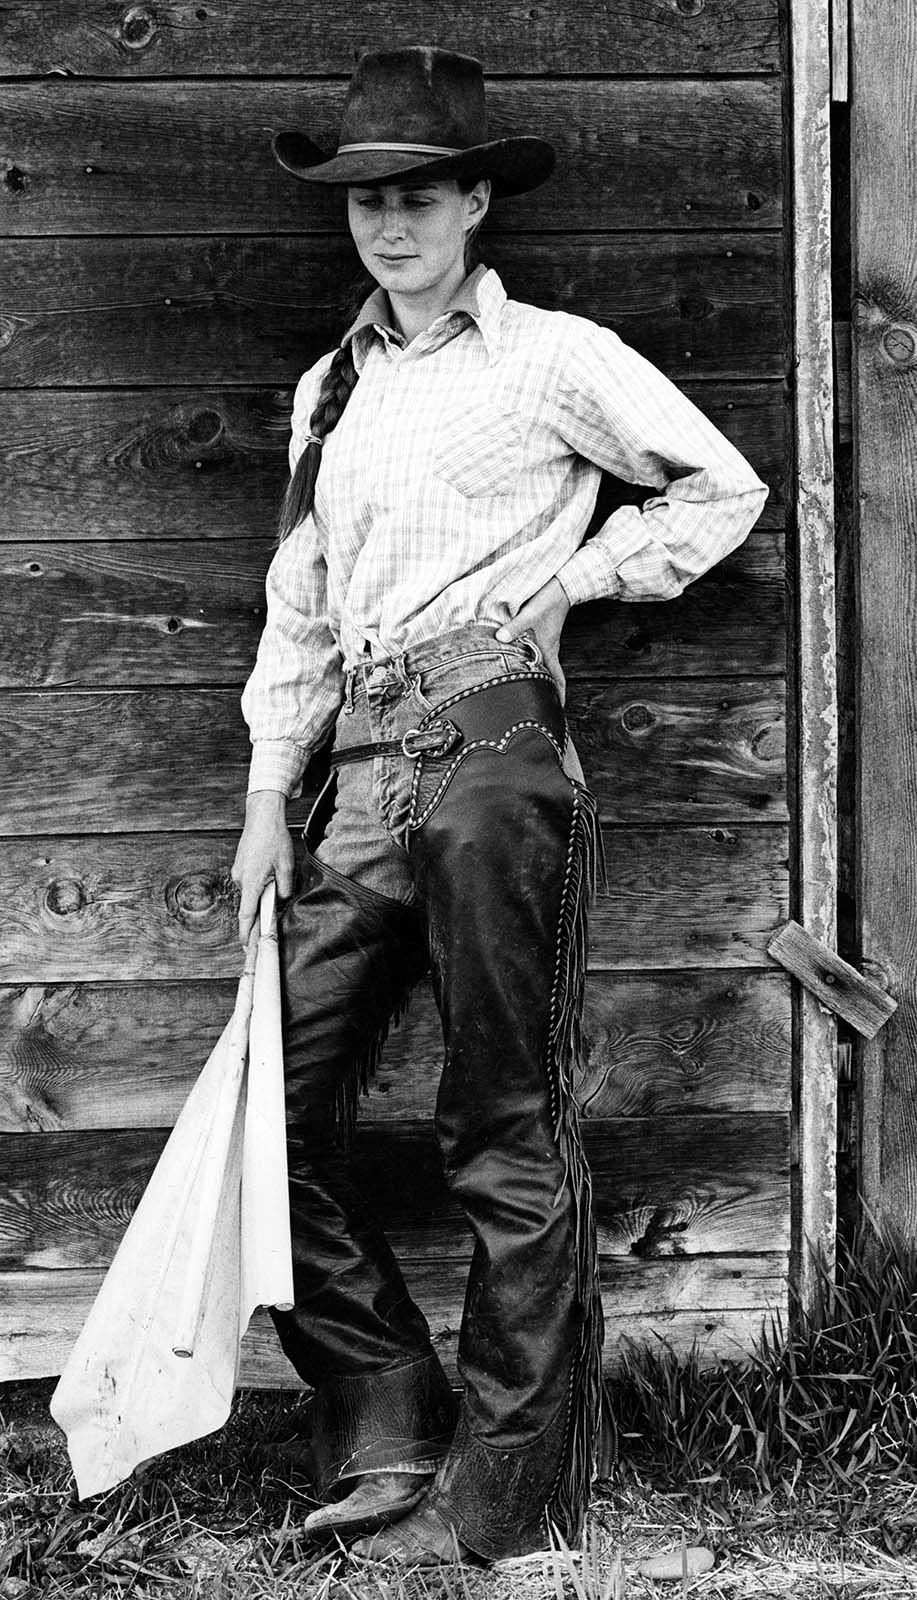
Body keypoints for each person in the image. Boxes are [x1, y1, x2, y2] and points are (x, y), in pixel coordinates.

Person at [232, 44, 768, 1567]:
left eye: (417, 195)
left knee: (501, 1125)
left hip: (490, 748)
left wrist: (570, 585)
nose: (389, 225)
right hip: (354, 770)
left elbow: (718, 488)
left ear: (475, 203)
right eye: (365, 201)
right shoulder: (326, 385)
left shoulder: (553, 358)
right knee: (276, 1112)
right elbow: (300, 609)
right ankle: (387, 1410)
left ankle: (508, 1498)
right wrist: (269, 795)